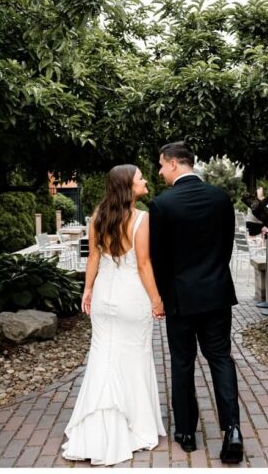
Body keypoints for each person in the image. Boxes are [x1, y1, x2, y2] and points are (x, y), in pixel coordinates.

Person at [63, 165, 164, 465]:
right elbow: (144, 265)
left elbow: (93, 257)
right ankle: (134, 426)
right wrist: (157, 300)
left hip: (104, 296)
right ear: (127, 187)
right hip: (132, 297)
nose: (145, 180)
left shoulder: (98, 217)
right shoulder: (142, 219)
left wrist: (88, 290)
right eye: (140, 178)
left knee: (102, 359)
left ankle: (94, 428)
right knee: (133, 359)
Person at [149, 142, 242, 463]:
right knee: (221, 359)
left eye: (161, 165)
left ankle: (187, 432)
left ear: (175, 164)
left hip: (180, 298)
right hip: (217, 294)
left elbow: (157, 259)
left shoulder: (162, 205)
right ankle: (232, 430)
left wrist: (160, 296)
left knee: (182, 362)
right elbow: (227, 247)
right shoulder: (221, 198)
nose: (159, 171)